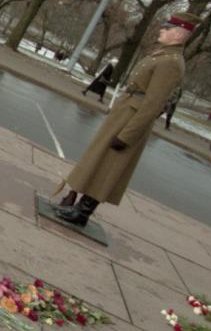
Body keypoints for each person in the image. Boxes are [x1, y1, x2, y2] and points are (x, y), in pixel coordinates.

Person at [53, 12, 201, 227]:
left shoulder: (171, 62)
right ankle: (75, 203)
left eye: (167, 28)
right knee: (100, 162)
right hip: (125, 113)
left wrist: (128, 135)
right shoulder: (163, 55)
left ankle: (82, 213)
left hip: (132, 119)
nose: (162, 30)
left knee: (110, 167)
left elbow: (154, 103)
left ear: (178, 35)